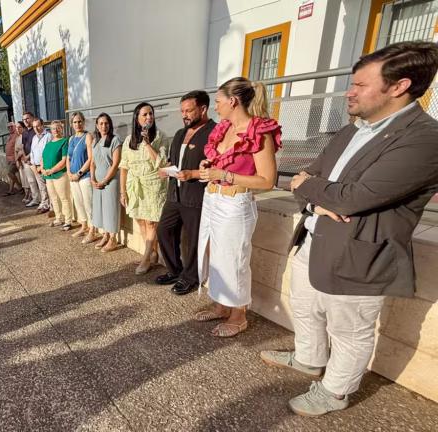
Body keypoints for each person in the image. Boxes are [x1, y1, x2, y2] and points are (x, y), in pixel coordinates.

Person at [260, 41, 438, 416]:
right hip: (314, 238)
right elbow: (306, 176)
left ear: (399, 86)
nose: (349, 92)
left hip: (359, 254)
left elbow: (353, 198)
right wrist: (316, 197)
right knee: (304, 308)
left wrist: (316, 190)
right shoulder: (352, 129)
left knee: (349, 330)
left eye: (360, 84)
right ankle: (309, 359)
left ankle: (336, 391)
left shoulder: (425, 138)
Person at [195, 77, 282, 338]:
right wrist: (208, 167)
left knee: (234, 260)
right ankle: (222, 305)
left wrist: (225, 174)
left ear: (232, 101)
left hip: (235, 203)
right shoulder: (224, 129)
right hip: (212, 198)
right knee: (214, 254)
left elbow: (267, 181)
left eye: (218, 101)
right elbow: (220, 164)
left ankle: (239, 316)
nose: (214, 107)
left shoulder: (258, 131)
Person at [156, 91, 217, 295]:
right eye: (182, 111)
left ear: (203, 109)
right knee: (164, 230)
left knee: (193, 239)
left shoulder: (214, 133)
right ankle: (175, 271)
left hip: (196, 196)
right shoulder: (180, 133)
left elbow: (217, 168)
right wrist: (167, 168)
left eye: (189, 111)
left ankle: (191, 277)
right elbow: (174, 160)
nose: (184, 115)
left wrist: (193, 174)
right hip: (175, 194)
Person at [119, 102, 171, 275]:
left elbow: (161, 162)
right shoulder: (129, 140)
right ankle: (152, 253)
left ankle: (146, 258)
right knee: (141, 219)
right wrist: (122, 192)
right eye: (145, 114)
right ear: (137, 119)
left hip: (154, 185)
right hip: (135, 186)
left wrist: (147, 143)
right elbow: (124, 167)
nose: (149, 117)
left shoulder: (160, 136)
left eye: (151, 114)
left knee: (151, 222)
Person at [90, 113, 122, 252]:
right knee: (101, 209)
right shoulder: (95, 142)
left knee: (111, 209)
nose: (104, 126)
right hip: (97, 182)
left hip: (110, 181)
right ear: (97, 126)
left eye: (106, 123)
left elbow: (115, 164)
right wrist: (92, 179)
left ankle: (113, 238)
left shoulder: (115, 140)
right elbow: (92, 162)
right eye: (101, 123)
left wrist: (104, 181)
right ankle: (105, 235)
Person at [67, 112, 97, 241]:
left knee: (88, 203)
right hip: (72, 176)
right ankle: (84, 226)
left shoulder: (88, 136)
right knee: (78, 202)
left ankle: (92, 229)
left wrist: (79, 173)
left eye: (79, 121)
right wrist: (69, 172)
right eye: (75, 122)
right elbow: (68, 158)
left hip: (84, 176)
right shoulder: (71, 139)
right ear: (72, 124)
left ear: (83, 122)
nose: (77, 124)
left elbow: (90, 158)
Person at [42, 120, 73, 230]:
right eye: (53, 128)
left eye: (58, 128)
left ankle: (68, 220)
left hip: (59, 174)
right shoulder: (48, 144)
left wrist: (52, 170)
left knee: (64, 198)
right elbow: (43, 157)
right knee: (54, 198)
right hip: (48, 176)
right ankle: (58, 218)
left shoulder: (64, 141)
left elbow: (64, 160)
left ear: (62, 129)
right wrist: (42, 169)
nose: (55, 130)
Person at [30, 118, 51, 214]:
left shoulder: (48, 136)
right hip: (36, 166)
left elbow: (48, 153)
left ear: (42, 125)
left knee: (49, 187)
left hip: (45, 166)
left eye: (38, 126)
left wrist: (41, 167)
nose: (36, 128)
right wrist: (33, 165)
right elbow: (32, 152)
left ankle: (51, 206)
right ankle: (44, 203)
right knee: (42, 188)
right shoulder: (34, 138)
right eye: (34, 127)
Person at [20, 112, 41, 207]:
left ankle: (43, 200)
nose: (25, 121)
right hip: (26, 161)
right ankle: (35, 199)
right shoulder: (24, 131)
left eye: (27, 118)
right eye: (24, 119)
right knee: (31, 181)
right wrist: (24, 157)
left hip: (34, 160)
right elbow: (23, 145)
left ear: (32, 118)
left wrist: (28, 157)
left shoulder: (35, 130)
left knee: (39, 181)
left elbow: (36, 147)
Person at [4, 122, 24, 196]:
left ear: (15, 126)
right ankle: (11, 190)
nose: (10, 128)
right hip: (9, 159)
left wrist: (17, 158)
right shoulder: (10, 135)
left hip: (14, 158)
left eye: (11, 126)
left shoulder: (17, 134)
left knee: (10, 172)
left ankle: (20, 186)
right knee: (12, 174)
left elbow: (18, 147)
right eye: (8, 127)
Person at [14, 121, 31, 202]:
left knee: (28, 178)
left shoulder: (26, 137)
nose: (18, 129)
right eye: (17, 128)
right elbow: (15, 150)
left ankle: (30, 195)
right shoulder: (17, 138)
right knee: (22, 178)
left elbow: (22, 150)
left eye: (20, 127)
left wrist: (17, 158)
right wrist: (17, 161)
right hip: (20, 160)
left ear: (23, 128)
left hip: (25, 159)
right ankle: (26, 193)